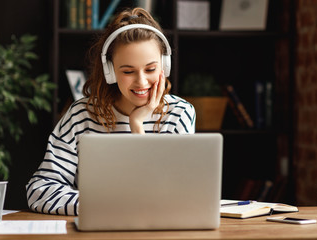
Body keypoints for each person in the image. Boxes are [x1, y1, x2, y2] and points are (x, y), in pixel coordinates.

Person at [26, 7, 196, 215]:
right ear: (110, 71)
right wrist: (106, 206)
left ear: (164, 66)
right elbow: (40, 191)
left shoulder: (179, 114)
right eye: (128, 71)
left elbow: (175, 196)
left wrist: (137, 125)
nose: (141, 81)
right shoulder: (81, 115)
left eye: (150, 69)